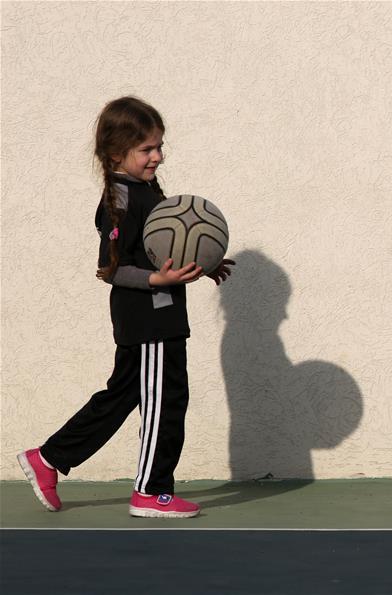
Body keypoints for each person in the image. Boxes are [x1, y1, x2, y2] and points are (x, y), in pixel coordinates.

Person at [17, 96, 233, 518]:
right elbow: (111, 268)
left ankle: (48, 459)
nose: (158, 156)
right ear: (117, 153)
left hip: (161, 312)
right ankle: (151, 491)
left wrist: (201, 263)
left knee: (122, 396)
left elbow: (158, 249)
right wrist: (160, 281)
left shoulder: (144, 190)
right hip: (148, 317)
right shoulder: (120, 198)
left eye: (159, 146)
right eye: (147, 149)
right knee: (165, 401)